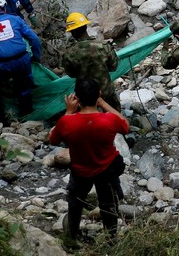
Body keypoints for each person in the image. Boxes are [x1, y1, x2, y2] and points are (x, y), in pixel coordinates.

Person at [49, 78, 129, 241]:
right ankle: (111, 237)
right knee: (108, 203)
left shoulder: (67, 122)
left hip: (81, 169)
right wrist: (103, 103)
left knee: (75, 201)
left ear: (76, 98)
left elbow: (53, 140)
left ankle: (72, 236)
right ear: (99, 94)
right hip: (106, 168)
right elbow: (125, 125)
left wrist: (69, 112)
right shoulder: (109, 120)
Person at [59, 12, 121, 110]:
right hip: (106, 92)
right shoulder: (104, 46)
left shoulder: (69, 53)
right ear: (85, 27)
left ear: (73, 32)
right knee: (115, 118)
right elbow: (114, 66)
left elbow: (71, 74)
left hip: (85, 97)